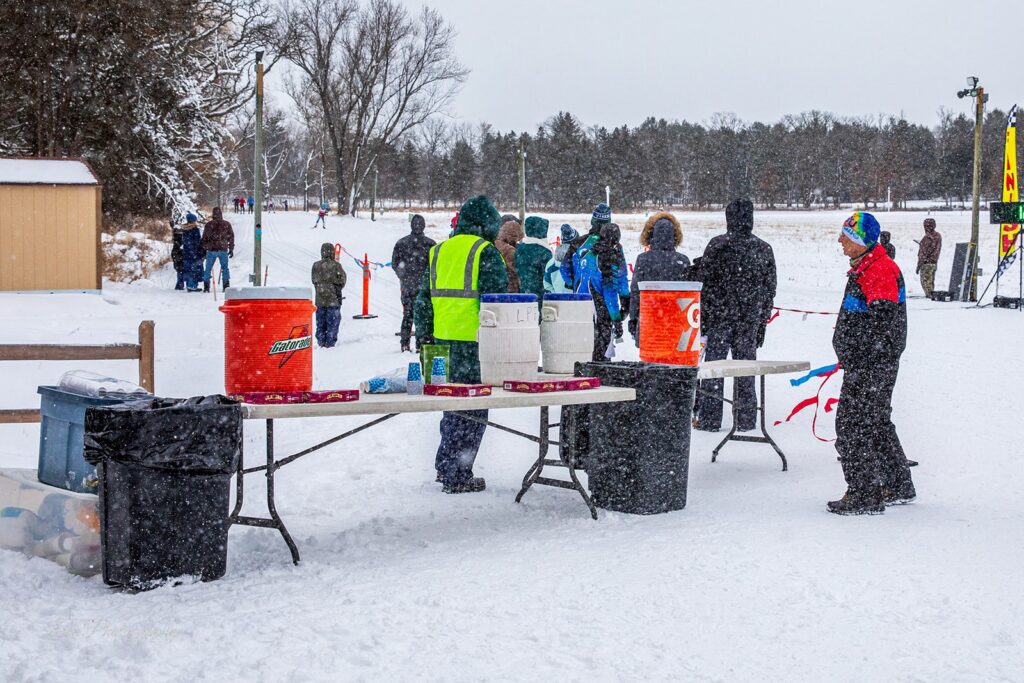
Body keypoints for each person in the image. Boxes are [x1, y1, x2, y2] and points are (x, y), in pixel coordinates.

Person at [414, 195, 509, 494]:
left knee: (450, 405)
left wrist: (424, 338)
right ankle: (459, 473)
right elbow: (498, 302)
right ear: (486, 225)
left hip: (441, 343)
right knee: (474, 410)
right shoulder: (485, 252)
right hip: (475, 344)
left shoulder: (438, 251)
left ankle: (446, 466)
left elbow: (423, 300)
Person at [830, 212, 916, 515]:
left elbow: (882, 323)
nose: (840, 241)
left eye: (846, 236)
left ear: (861, 241)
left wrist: (859, 357)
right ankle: (897, 484)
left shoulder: (879, 270)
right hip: (870, 364)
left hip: (870, 366)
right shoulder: (867, 266)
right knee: (876, 423)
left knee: (853, 426)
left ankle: (864, 494)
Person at [694, 199, 776, 432]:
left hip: (721, 318)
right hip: (748, 319)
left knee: (714, 370)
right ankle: (746, 419)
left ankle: (710, 419)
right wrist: (762, 322)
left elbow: (705, 285)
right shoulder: (763, 248)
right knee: (745, 370)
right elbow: (770, 290)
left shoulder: (718, 245)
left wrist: (706, 320)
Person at [628, 212, 691, 345]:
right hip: (676, 323)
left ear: (651, 235)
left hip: (649, 320)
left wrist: (633, 319)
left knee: (650, 359)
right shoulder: (682, 260)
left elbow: (635, 292)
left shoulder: (643, 259)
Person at [573, 219, 630, 361]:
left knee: (586, 343)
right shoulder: (609, 256)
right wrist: (617, 318)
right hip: (598, 306)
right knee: (600, 345)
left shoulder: (590, 251)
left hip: (580, 302)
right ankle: (599, 369)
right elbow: (610, 292)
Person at [391, 214, 436, 352]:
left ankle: (405, 344)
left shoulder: (401, 243)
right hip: (424, 286)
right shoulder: (430, 244)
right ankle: (421, 344)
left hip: (407, 286)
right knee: (424, 316)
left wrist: (403, 276)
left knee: (407, 315)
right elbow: (435, 265)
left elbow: (395, 263)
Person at [561, 203, 609, 291]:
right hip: (604, 297)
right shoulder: (613, 245)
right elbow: (619, 274)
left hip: (581, 295)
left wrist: (572, 283)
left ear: (592, 221)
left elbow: (564, 268)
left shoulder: (578, 242)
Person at [312, 242, 347, 348]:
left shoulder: (316, 265)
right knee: (333, 324)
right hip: (333, 300)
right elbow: (342, 280)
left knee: (320, 324)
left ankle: (321, 342)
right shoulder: (336, 266)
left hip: (320, 300)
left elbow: (314, 280)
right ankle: (330, 344)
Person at [516, 216, 552, 307]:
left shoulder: (520, 249)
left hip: (523, 293)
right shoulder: (544, 252)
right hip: (540, 296)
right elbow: (548, 277)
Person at [201, 206, 234, 292]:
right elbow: (231, 237)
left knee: (208, 268)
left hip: (211, 250)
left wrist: (205, 248)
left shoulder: (209, 225)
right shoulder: (227, 224)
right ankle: (226, 286)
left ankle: (206, 286)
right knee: (225, 268)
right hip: (223, 249)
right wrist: (231, 248)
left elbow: (204, 238)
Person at [544, 224, 578, 293]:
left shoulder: (551, 263)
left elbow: (547, 284)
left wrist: (556, 296)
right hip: (580, 300)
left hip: (558, 300)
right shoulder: (581, 259)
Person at [495, 218, 524, 293]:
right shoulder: (510, 250)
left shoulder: (493, 243)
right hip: (510, 290)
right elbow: (514, 272)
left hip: (496, 285)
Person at [180, 213, 204, 293]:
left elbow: (185, 241)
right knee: (195, 269)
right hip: (194, 252)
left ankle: (189, 285)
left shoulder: (184, 229)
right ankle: (193, 286)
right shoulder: (194, 230)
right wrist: (199, 251)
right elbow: (197, 242)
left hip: (186, 252)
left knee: (188, 269)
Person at [917, 218, 941, 297]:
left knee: (926, 283)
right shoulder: (937, 236)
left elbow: (925, 252)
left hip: (926, 263)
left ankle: (930, 297)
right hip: (934, 262)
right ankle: (931, 295)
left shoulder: (928, 237)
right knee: (930, 281)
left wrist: (919, 264)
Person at [171, 220, 186, 291]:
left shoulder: (176, 241)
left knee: (180, 271)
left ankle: (180, 285)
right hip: (179, 256)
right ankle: (180, 285)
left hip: (177, 257)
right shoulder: (180, 241)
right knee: (181, 271)